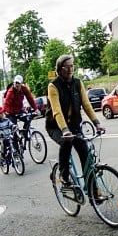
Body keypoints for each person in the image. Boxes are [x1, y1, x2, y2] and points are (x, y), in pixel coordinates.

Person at [46, 54, 105, 186]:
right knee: (66, 142)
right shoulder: (53, 86)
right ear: (60, 69)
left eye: (72, 66)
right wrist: (65, 130)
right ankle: (63, 174)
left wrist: (97, 123)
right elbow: (57, 111)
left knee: (85, 155)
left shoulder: (78, 83)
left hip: (73, 125)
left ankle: (93, 192)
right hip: (56, 126)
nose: (70, 69)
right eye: (67, 67)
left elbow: (86, 104)